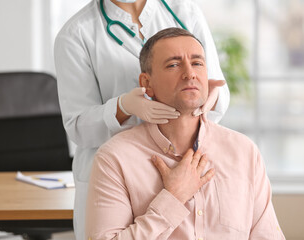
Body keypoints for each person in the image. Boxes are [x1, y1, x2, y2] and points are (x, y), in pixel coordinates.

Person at [86, 27, 285, 240]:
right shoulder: (115, 158)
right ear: (147, 84)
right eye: (173, 64)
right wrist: (172, 198)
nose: (190, 73)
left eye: (198, 63)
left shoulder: (244, 151)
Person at [54, 0, 230, 239]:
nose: (188, 71)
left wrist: (212, 96)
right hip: (117, 175)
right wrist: (123, 107)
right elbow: (77, 127)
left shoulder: (184, 12)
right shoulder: (76, 34)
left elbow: (215, 85)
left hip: (184, 166)